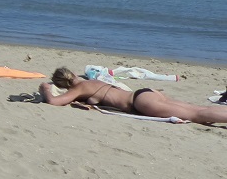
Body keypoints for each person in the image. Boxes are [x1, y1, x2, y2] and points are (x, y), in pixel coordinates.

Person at [40, 67, 227, 124]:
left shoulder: (78, 89)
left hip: (140, 102)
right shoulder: (90, 81)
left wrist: (45, 88)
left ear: (62, 84)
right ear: (73, 73)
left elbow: (54, 101)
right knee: (197, 108)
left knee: (196, 115)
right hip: (145, 93)